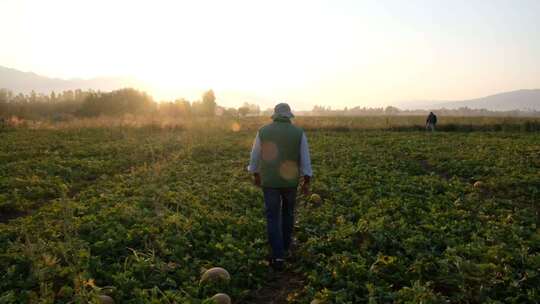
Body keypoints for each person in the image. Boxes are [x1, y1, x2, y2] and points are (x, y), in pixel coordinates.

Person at [247, 103, 312, 271]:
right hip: (290, 182)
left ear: (275, 115)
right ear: (289, 115)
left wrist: (255, 174)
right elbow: (305, 158)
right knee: (288, 212)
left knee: (272, 216)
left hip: (270, 182)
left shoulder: (263, 131)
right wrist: (307, 180)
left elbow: (255, 156)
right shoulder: (298, 132)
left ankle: (277, 256)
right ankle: (285, 247)